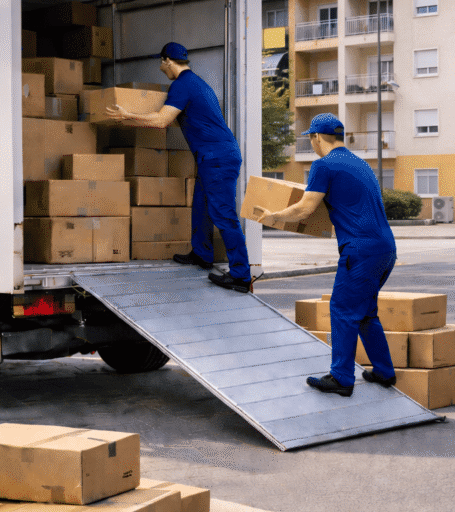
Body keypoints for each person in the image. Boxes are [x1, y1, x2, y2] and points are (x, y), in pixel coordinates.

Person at [253, 113, 397, 397]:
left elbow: (304, 209)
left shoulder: (323, 165)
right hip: (386, 249)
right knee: (365, 311)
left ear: (317, 137)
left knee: (342, 309)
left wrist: (272, 216)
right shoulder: (361, 164)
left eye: (311, 138)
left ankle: (341, 378)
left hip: (360, 251)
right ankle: (384, 371)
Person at [105, 42, 252, 293]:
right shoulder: (196, 83)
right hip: (213, 156)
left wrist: (128, 115)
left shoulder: (183, 85)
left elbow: (162, 120)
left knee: (223, 213)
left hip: (217, 158)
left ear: (167, 61)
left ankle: (241, 275)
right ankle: (202, 254)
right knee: (201, 206)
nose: (161, 68)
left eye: (161, 63)